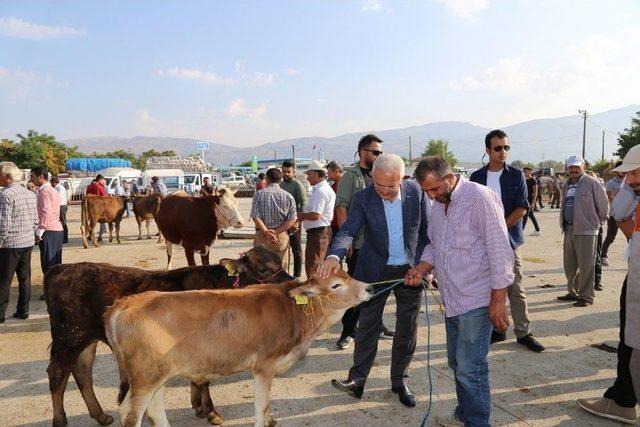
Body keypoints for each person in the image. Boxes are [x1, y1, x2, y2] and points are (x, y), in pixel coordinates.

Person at [404, 156, 514, 427]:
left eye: (434, 189)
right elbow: (435, 244)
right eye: (426, 191)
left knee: (469, 367)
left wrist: (498, 301)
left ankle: (477, 422)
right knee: (458, 363)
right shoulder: (440, 203)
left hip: (477, 297)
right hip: (452, 299)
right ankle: (465, 414)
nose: (430, 196)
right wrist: (421, 268)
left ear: (450, 178)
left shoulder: (480, 198)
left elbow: (500, 251)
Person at [318, 153, 429, 408]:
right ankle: (357, 380)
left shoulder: (416, 192)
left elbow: (427, 232)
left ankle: (400, 380)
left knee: (406, 327)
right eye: (379, 185)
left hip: (410, 271)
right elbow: (347, 230)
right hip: (374, 271)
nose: (385, 191)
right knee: (367, 326)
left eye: (391, 186)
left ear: (402, 178)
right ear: (372, 178)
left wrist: (425, 267)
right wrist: (334, 255)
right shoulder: (364, 197)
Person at [578, 146, 640, 424]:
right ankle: (622, 399)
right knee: (630, 335)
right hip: (635, 272)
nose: (629, 178)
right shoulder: (635, 190)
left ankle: (623, 399)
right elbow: (620, 212)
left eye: (633, 172)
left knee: (633, 339)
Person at [470, 130, 544, 352]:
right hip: (482, 244)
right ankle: (497, 330)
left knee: (515, 288)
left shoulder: (516, 175)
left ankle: (523, 332)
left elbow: (522, 208)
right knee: (487, 288)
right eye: (498, 148)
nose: (503, 152)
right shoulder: (476, 178)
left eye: (506, 148)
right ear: (487, 150)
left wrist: (499, 229)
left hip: (509, 241)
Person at [334, 134, 394, 350]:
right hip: (359, 243)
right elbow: (341, 206)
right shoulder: (351, 176)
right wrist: (346, 241)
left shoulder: (381, 175)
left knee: (377, 289)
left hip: (380, 244)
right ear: (362, 152)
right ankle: (348, 331)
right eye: (375, 152)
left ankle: (376, 325)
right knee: (355, 290)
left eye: (381, 153)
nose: (379, 156)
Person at [557, 156, 609, 307]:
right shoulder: (567, 184)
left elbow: (604, 205)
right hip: (569, 228)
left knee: (586, 264)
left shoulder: (592, 183)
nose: (573, 170)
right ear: (567, 168)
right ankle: (573, 292)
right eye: (571, 167)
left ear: (583, 167)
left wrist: (597, 223)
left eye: (577, 167)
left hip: (587, 230)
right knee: (570, 263)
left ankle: (586, 296)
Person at [0, 162, 38, 323]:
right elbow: (35, 221)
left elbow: (3, 223)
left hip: (10, 244)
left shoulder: (5, 195)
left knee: (4, 280)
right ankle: (23, 311)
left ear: (7, 177)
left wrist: (0, 240)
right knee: (25, 278)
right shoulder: (29, 193)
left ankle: (0, 315)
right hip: (27, 242)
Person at [250, 168, 297, 267]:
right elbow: (292, 219)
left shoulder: (258, 194)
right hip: (280, 237)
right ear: (281, 180)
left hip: (262, 236)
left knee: (260, 269)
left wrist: (266, 232)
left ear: (266, 179)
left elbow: (255, 216)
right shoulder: (288, 196)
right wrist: (275, 232)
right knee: (280, 271)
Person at [31, 167, 64, 300]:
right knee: (55, 263)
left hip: (49, 229)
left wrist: (40, 229)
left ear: (41, 177)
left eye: (33, 176)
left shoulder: (44, 191)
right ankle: (56, 290)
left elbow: (46, 211)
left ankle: (51, 292)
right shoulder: (53, 190)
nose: (31, 179)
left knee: (48, 263)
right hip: (56, 229)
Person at [300, 161, 335, 277]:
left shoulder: (320, 191)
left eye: (309, 174)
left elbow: (316, 215)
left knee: (313, 268)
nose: (307, 178)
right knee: (319, 267)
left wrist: (301, 216)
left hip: (317, 234)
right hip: (320, 232)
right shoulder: (324, 188)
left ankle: (314, 294)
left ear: (315, 174)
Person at [280, 160, 307, 279]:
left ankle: (296, 277)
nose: (286, 174)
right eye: (284, 171)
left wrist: (297, 221)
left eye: (288, 172)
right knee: (283, 249)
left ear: (293, 171)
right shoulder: (281, 185)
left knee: (296, 250)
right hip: (282, 223)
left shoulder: (298, 185)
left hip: (294, 222)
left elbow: (303, 205)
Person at [600, 162, 624, 266]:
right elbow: (609, 199)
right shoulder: (610, 183)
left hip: (627, 214)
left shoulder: (629, 182)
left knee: (632, 237)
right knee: (611, 237)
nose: (623, 172)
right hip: (614, 215)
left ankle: (633, 257)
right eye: (620, 169)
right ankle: (602, 256)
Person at [86, 174, 109, 241]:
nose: (104, 181)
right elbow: (105, 197)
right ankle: (100, 236)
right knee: (102, 221)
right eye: (103, 180)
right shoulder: (99, 187)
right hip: (99, 207)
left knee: (92, 221)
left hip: (90, 207)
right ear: (99, 180)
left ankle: (90, 235)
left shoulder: (89, 186)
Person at [522, 167, 541, 236]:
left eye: (526, 171)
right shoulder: (526, 180)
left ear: (530, 172)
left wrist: (533, 202)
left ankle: (520, 231)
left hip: (530, 201)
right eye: (524, 172)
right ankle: (537, 230)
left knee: (525, 216)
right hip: (526, 200)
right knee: (531, 215)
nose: (525, 173)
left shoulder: (533, 180)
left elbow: (535, 192)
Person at [326, 161, 344, 235]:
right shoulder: (331, 187)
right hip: (333, 223)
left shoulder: (347, 186)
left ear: (336, 171)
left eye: (329, 173)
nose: (328, 176)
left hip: (344, 223)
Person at [51, 177, 69, 243]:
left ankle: (65, 238)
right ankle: (62, 237)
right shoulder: (58, 188)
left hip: (61, 206)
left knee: (63, 222)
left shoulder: (59, 188)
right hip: (61, 205)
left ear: (54, 182)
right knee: (61, 222)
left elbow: (58, 198)